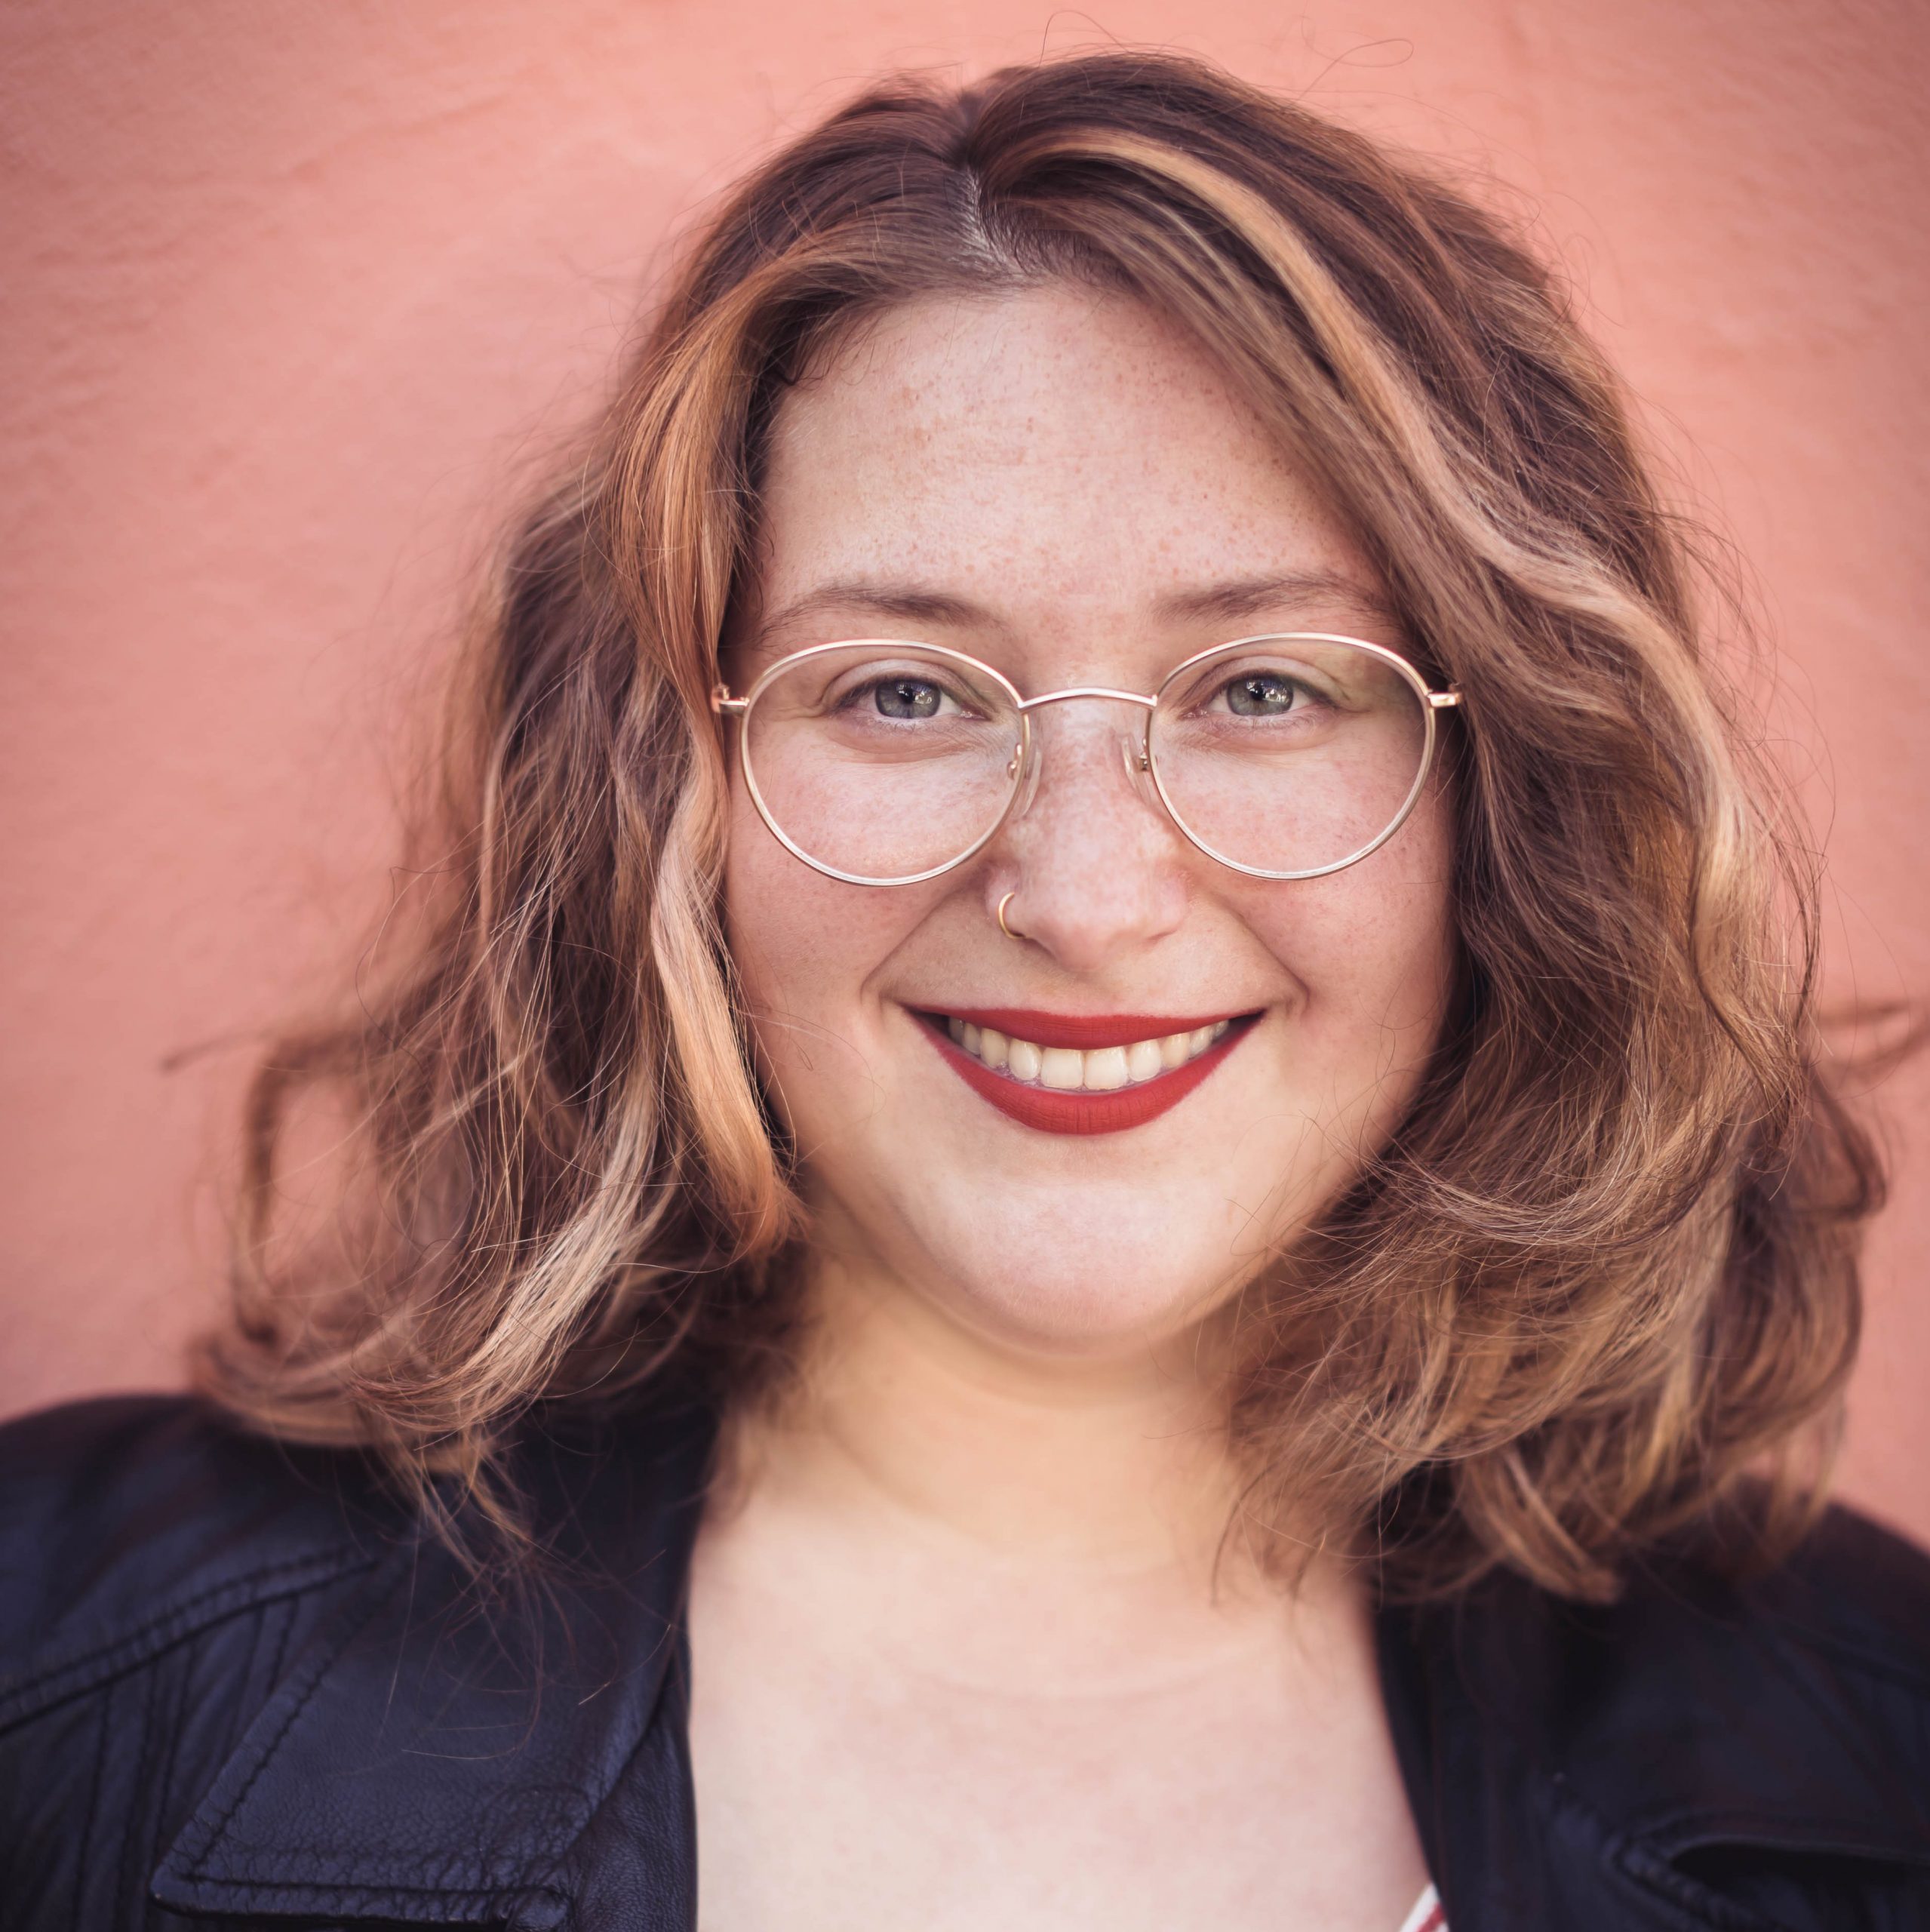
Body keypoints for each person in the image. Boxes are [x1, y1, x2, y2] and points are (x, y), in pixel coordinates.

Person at [2, 50, 1925, 1932]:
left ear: (1508, 800)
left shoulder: (1887, 1748)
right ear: (665, 797)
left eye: (1266, 687)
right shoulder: (58, 1662)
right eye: (903, 692)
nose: (1081, 899)